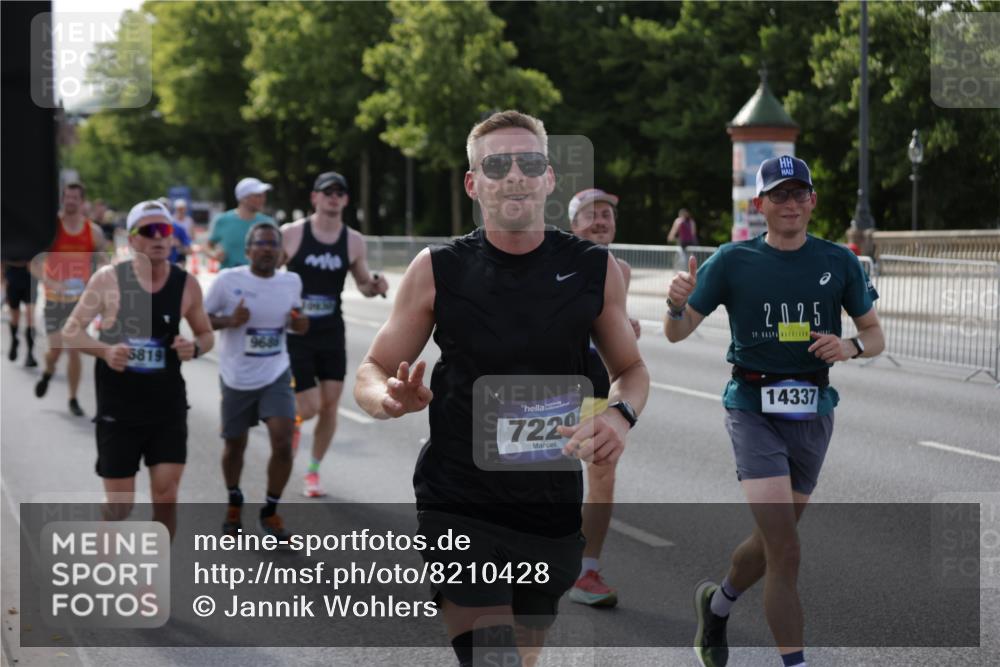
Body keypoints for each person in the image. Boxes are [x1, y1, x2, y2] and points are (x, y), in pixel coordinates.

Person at [354, 110, 649, 667]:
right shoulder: (437, 268)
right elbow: (371, 368)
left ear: (548, 178)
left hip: (551, 509)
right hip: (459, 502)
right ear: (474, 182)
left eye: (529, 162)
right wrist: (388, 398)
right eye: (497, 164)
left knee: (523, 657)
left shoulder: (594, 268)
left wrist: (618, 416)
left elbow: (630, 371)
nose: (514, 174)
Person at [664, 156, 884, 667]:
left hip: (813, 410)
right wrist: (675, 305)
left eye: (797, 193)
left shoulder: (839, 262)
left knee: (770, 542)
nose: (789, 203)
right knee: (786, 550)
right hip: (752, 409)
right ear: (759, 204)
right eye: (777, 195)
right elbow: (676, 332)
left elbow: (875, 336)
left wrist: (848, 347)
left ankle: (715, 607)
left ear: (812, 201)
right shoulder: (731, 261)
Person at [61, 200, 214, 538]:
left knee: (166, 497)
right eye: (150, 231)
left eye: (166, 230)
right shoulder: (108, 280)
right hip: (119, 410)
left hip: (167, 408)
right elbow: (70, 332)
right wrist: (105, 350)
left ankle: (151, 583)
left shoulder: (186, 285)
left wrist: (195, 347)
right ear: (132, 239)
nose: (160, 237)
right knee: (119, 507)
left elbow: (205, 334)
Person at [281, 171, 388, 498]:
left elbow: (363, 284)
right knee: (309, 407)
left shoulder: (353, 240)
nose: (333, 197)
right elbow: (269, 277)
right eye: (326, 191)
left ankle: (312, 473)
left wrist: (375, 286)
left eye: (339, 192)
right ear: (314, 197)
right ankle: (292, 425)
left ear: (345, 200)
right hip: (297, 332)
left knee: (330, 406)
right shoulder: (292, 234)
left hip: (331, 331)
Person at [205, 223, 308, 538]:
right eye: (260, 243)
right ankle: (234, 500)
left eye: (272, 244)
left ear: (280, 252)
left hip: (276, 372)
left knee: (282, 440)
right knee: (235, 445)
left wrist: (300, 323)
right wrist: (228, 320)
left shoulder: (291, 281)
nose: (267, 248)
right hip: (236, 376)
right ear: (248, 250)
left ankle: (270, 510)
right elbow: (201, 319)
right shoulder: (228, 281)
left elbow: (297, 323)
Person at [566, 188, 642, 608]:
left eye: (607, 216)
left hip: (596, 379)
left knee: (602, 469)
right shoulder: (553, 262)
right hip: (554, 380)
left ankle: (586, 570)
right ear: (573, 223)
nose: (600, 221)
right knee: (537, 474)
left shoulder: (621, 269)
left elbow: (613, 328)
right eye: (591, 215)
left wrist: (625, 331)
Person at [33, 182, 108, 416]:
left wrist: (99, 283)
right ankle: (48, 370)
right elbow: (33, 263)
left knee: (74, 348)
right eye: (67, 197)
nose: (71, 202)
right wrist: (51, 282)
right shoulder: (51, 228)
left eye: (75, 198)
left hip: (80, 300)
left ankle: (73, 398)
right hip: (55, 297)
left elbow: (104, 261)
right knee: (55, 349)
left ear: (82, 201)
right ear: (62, 199)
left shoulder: (92, 231)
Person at [207, 178, 276, 270]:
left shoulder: (269, 223)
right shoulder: (222, 220)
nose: (263, 199)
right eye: (258, 195)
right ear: (244, 198)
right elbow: (207, 246)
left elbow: (279, 251)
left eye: (264, 195)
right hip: (230, 280)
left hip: (260, 280)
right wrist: (215, 254)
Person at [4, 259, 38, 367]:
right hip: (12, 281)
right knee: (15, 318)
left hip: (30, 282)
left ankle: (30, 354)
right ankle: (14, 341)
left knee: (30, 319)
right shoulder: (9, 243)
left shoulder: (34, 244)